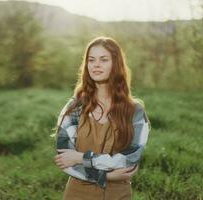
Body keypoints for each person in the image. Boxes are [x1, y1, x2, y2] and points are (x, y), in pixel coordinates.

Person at [53, 36, 150, 200]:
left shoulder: (135, 111)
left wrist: (81, 158)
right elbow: (64, 161)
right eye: (91, 60)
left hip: (118, 195)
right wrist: (107, 176)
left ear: (116, 65)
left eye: (103, 60)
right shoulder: (74, 107)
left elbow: (129, 161)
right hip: (77, 195)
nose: (96, 65)